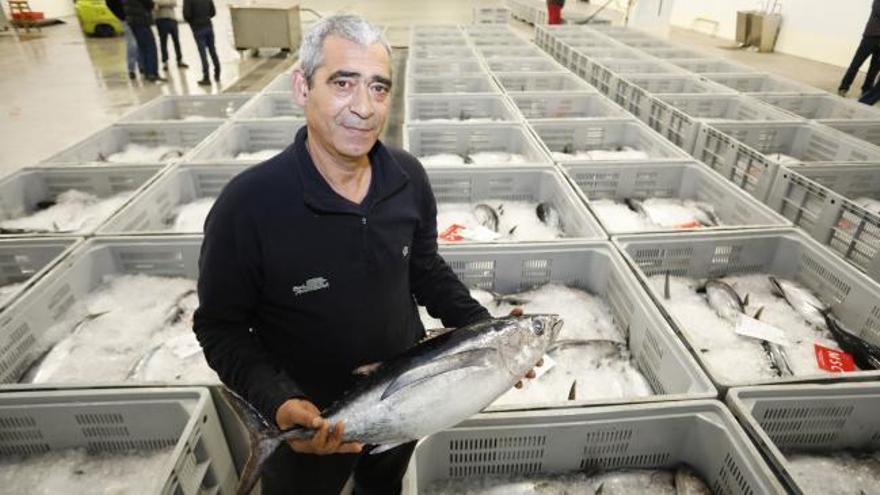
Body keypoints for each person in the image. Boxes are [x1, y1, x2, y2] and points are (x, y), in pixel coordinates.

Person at [193, 14, 537, 495]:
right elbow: (219, 327)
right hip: (309, 422)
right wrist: (279, 402)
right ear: (301, 87)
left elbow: (425, 268)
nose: (363, 107)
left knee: (383, 485)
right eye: (342, 83)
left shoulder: (408, 177)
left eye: (378, 88)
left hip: (407, 395)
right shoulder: (247, 207)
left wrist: (489, 335)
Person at [839, 0, 880, 97]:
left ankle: (866, 90)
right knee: (856, 64)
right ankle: (844, 87)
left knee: (874, 69)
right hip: (870, 37)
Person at [123, 0, 164, 82]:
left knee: (142, 47)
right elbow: (148, 3)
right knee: (150, 47)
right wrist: (153, 5)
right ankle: (152, 73)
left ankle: (147, 73)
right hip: (141, 21)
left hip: (132, 22)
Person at [182, 0, 220, 85]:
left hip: (197, 28)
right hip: (208, 25)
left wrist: (192, 21)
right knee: (212, 50)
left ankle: (206, 77)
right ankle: (217, 73)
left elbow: (187, 15)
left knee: (203, 53)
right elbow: (213, 12)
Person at [105, 0, 141, 80]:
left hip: (136, 17)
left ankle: (140, 66)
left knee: (138, 42)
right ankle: (132, 69)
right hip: (127, 19)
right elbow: (110, 4)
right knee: (132, 44)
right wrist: (123, 17)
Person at [154, 0, 188, 71]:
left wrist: (161, 4)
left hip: (172, 19)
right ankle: (165, 62)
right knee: (163, 42)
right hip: (161, 20)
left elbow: (174, 3)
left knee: (176, 41)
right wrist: (167, 3)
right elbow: (155, 3)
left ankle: (179, 60)